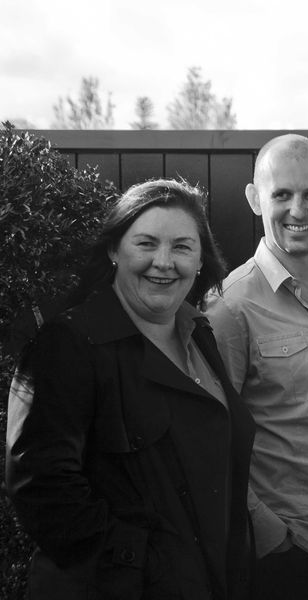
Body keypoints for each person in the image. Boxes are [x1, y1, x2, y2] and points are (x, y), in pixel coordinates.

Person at [6, 179, 255, 599]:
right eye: (146, 243)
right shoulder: (70, 344)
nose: (163, 262)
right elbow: (41, 486)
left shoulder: (200, 334)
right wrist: (145, 565)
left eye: (181, 247)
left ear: (199, 261)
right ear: (113, 251)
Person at [204, 134, 308, 599]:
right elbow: (211, 437)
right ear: (255, 199)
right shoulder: (229, 307)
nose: (297, 210)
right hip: (285, 551)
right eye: (281, 194)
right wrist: (267, 532)